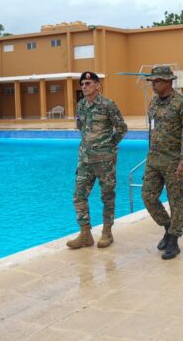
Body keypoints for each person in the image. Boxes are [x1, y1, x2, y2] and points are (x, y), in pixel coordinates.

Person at [66, 71, 128, 250]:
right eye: (82, 84)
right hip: (85, 160)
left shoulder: (108, 105)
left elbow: (122, 128)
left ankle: (107, 232)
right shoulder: (81, 106)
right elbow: (82, 128)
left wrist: (109, 145)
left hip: (104, 161)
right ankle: (85, 234)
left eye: (88, 83)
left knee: (107, 196)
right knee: (78, 196)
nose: (84, 86)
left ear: (97, 85)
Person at [142, 66, 183, 260]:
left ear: (168, 81)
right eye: (152, 81)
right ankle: (167, 227)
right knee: (148, 196)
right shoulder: (154, 102)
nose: (153, 85)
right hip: (154, 160)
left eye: (156, 81)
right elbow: (152, 131)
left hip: (174, 161)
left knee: (175, 201)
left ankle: (174, 240)